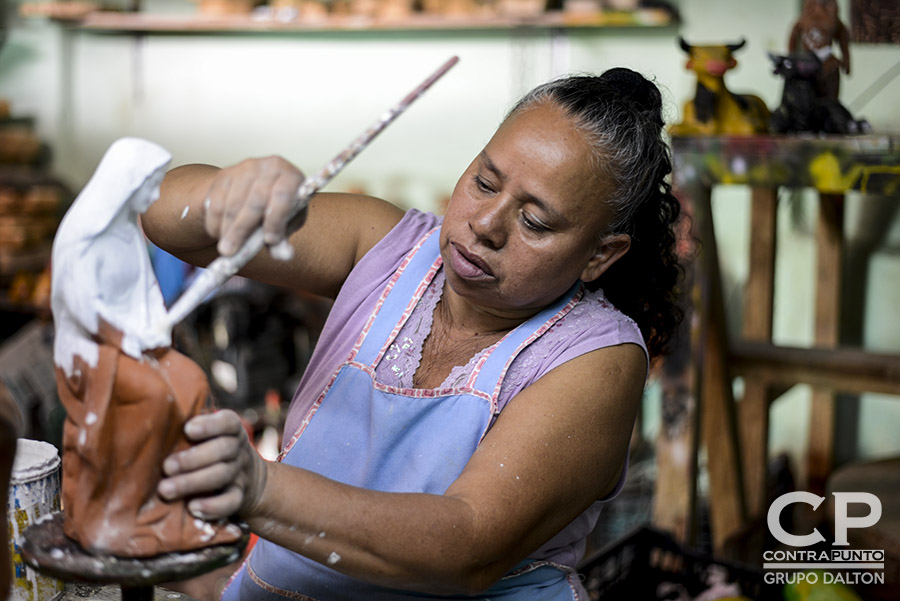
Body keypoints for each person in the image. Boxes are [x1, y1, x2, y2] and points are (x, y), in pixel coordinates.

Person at [143, 68, 683, 600]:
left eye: (535, 222)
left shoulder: (596, 358)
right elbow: (163, 216)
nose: (486, 225)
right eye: (484, 182)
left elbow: (468, 545)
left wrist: (260, 488)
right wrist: (224, 192)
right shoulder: (383, 248)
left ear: (599, 254)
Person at [50, 137, 242, 557]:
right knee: (154, 395)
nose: (155, 195)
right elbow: (86, 309)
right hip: (95, 351)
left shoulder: (126, 234)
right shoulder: (84, 238)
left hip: (136, 346)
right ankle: (123, 511)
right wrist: (131, 338)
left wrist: (157, 327)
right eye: (150, 184)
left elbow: (149, 294)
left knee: (190, 380)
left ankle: (175, 504)